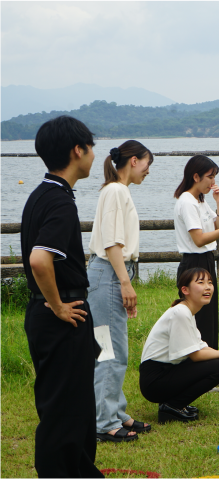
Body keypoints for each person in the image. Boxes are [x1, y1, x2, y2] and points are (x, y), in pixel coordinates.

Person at [20, 115, 104, 478]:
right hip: (60, 315)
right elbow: (40, 260)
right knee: (65, 411)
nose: (93, 156)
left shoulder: (40, 195)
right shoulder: (59, 201)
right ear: (77, 150)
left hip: (49, 315)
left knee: (73, 406)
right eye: (91, 148)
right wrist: (57, 305)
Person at [87, 140, 154, 443]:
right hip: (110, 273)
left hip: (108, 273)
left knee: (110, 347)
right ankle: (105, 422)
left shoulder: (115, 190)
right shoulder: (116, 190)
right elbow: (113, 242)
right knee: (111, 351)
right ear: (134, 160)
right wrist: (125, 283)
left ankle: (114, 412)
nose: (147, 171)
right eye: (147, 164)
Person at [139, 267, 219, 423]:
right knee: (217, 368)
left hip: (161, 374)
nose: (208, 287)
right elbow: (196, 355)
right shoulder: (181, 313)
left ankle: (177, 404)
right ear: (185, 290)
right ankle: (172, 406)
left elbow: (199, 346)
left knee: (215, 363)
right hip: (154, 381)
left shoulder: (187, 312)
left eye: (210, 282)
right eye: (201, 282)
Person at [173, 155, 219, 351]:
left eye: (214, 177)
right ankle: (199, 370)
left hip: (206, 260)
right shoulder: (187, 201)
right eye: (210, 177)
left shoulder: (200, 200)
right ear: (196, 177)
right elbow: (199, 240)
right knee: (198, 320)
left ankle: (211, 367)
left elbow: (218, 226)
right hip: (193, 263)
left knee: (210, 315)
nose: (213, 182)